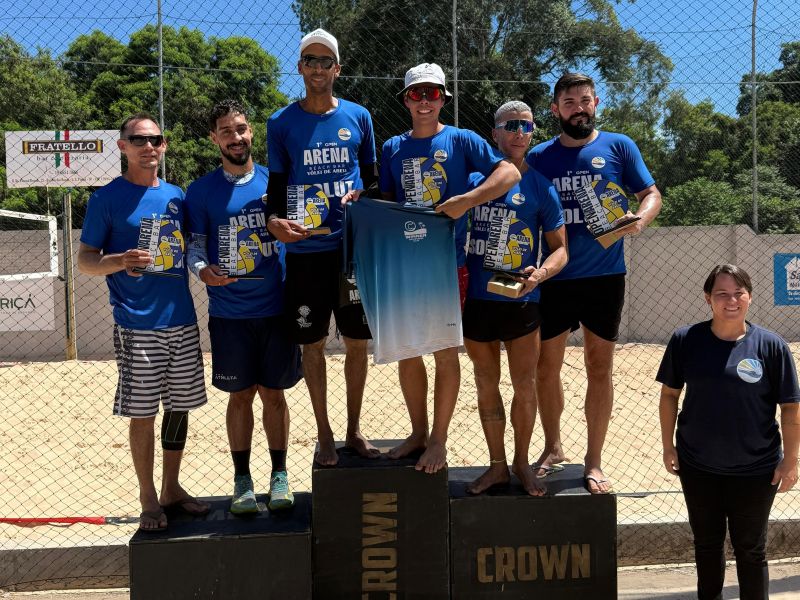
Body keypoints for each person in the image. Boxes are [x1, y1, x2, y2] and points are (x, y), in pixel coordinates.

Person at [370, 62, 520, 473]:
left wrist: (468, 200)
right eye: (416, 94)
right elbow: (386, 202)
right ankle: (417, 433)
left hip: (447, 266)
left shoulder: (462, 140)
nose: (424, 101)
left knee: (443, 353)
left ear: (443, 99)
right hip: (404, 266)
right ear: (405, 100)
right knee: (407, 352)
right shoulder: (391, 148)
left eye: (432, 94)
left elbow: (507, 172)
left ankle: (439, 440)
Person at [527, 72, 662, 493]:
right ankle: (552, 448)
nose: (578, 108)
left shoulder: (619, 145)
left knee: (598, 367)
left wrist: (641, 219)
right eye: (569, 102)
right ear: (555, 110)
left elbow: (651, 194)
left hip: (605, 276)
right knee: (545, 368)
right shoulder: (538, 157)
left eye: (584, 100)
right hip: (554, 277)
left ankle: (594, 460)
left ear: (596, 102)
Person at [77, 113, 209, 532]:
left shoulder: (176, 195)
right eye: (138, 139)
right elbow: (85, 261)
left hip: (182, 319)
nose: (148, 146)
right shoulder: (106, 199)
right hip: (137, 325)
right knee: (143, 413)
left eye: (155, 139)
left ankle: (172, 488)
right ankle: (148, 497)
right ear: (123, 147)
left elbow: (191, 246)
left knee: (180, 408)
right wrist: (120, 261)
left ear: (164, 146)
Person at [265, 29, 377, 466]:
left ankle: (352, 429)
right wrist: (275, 222)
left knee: (356, 342)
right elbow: (276, 188)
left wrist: (361, 196)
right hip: (306, 255)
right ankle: (325, 432)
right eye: (309, 59)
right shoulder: (281, 123)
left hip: (350, 251)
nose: (317, 67)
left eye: (324, 60)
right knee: (311, 345)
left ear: (337, 68)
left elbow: (372, 179)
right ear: (299, 67)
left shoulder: (359, 116)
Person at [184, 100, 302, 514]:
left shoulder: (276, 182)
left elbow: (297, 231)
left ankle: (280, 475)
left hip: (275, 309)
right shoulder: (200, 191)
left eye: (241, 129)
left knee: (274, 395)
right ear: (215, 139)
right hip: (230, 314)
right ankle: (242, 480)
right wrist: (203, 271)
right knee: (240, 396)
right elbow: (195, 248)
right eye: (226, 131)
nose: (236, 138)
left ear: (251, 131)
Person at [656, 264, 799, 600]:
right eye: (722, 293)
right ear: (708, 299)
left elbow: (791, 409)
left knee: (751, 549)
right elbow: (669, 396)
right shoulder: (685, 340)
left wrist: (790, 460)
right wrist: (668, 445)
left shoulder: (771, 346)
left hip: (756, 469)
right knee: (706, 546)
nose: (731, 300)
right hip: (698, 466)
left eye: (739, 293)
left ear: (750, 296)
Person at [463, 101, 567, 496]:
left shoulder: (541, 187)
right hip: (477, 298)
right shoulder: (475, 176)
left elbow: (561, 249)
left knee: (525, 385)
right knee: (486, 383)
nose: (519, 132)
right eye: (510, 125)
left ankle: (522, 463)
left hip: (523, 299)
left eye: (526, 125)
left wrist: (539, 273)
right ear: (495, 133)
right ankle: (496, 467)